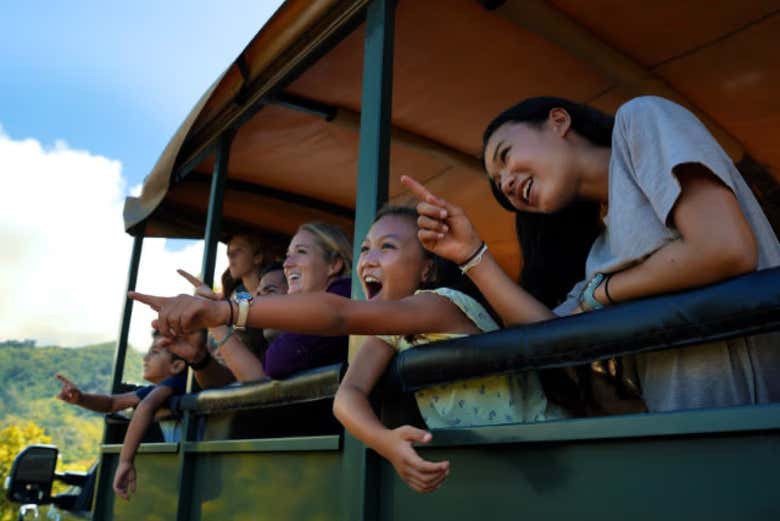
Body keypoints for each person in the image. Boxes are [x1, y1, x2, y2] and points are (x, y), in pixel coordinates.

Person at [129, 206, 566, 493]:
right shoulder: (390, 332)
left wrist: (225, 311)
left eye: (387, 248)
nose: (368, 260)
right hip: (508, 468)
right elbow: (347, 396)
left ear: (429, 267)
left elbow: (339, 315)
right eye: (364, 248)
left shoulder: (439, 305)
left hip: (555, 447)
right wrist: (384, 442)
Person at [402, 95, 780, 413]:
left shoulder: (641, 118)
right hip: (688, 435)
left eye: (505, 157)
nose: (508, 185)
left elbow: (726, 248)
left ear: (558, 121)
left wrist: (604, 293)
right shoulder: (601, 252)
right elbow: (552, 335)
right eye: (501, 187)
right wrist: (472, 256)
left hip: (758, 420)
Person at [171, 223, 352, 383]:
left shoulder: (344, 293)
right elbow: (258, 378)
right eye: (288, 255)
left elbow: (276, 362)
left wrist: (219, 311)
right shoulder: (238, 294)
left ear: (334, 264)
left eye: (301, 252)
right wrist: (214, 323)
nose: (287, 263)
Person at [110, 330, 203, 501]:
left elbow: (146, 406)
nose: (145, 358)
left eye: (154, 352)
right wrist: (80, 397)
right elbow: (113, 404)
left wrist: (125, 461)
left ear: (177, 366)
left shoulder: (180, 381)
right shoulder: (162, 387)